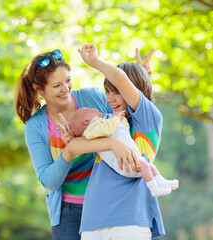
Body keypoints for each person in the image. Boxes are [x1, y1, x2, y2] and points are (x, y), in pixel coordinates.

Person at [14, 48, 142, 240]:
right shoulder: (36, 126)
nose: (65, 88)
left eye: (67, 80)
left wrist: (141, 83)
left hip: (108, 201)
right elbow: (49, 181)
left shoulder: (91, 98)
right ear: (39, 89)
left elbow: (129, 116)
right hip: (70, 213)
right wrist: (71, 150)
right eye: (57, 85)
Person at [58, 44, 167, 239]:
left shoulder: (149, 118)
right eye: (107, 92)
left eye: (117, 92)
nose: (110, 98)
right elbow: (73, 146)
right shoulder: (109, 121)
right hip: (93, 220)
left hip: (130, 219)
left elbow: (120, 79)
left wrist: (95, 62)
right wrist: (110, 144)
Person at [68, 107, 179, 197]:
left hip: (130, 157)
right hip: (125, 163)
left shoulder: (103, 123)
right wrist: (115, 118)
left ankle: (162, 181)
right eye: (89, 109)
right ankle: (154, 189)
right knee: (145, 165)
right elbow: (108, 129)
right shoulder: (92, 129)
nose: (94, 108)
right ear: (87, 121)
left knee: (150, 166)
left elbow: (121, 130)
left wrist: (121, 120)